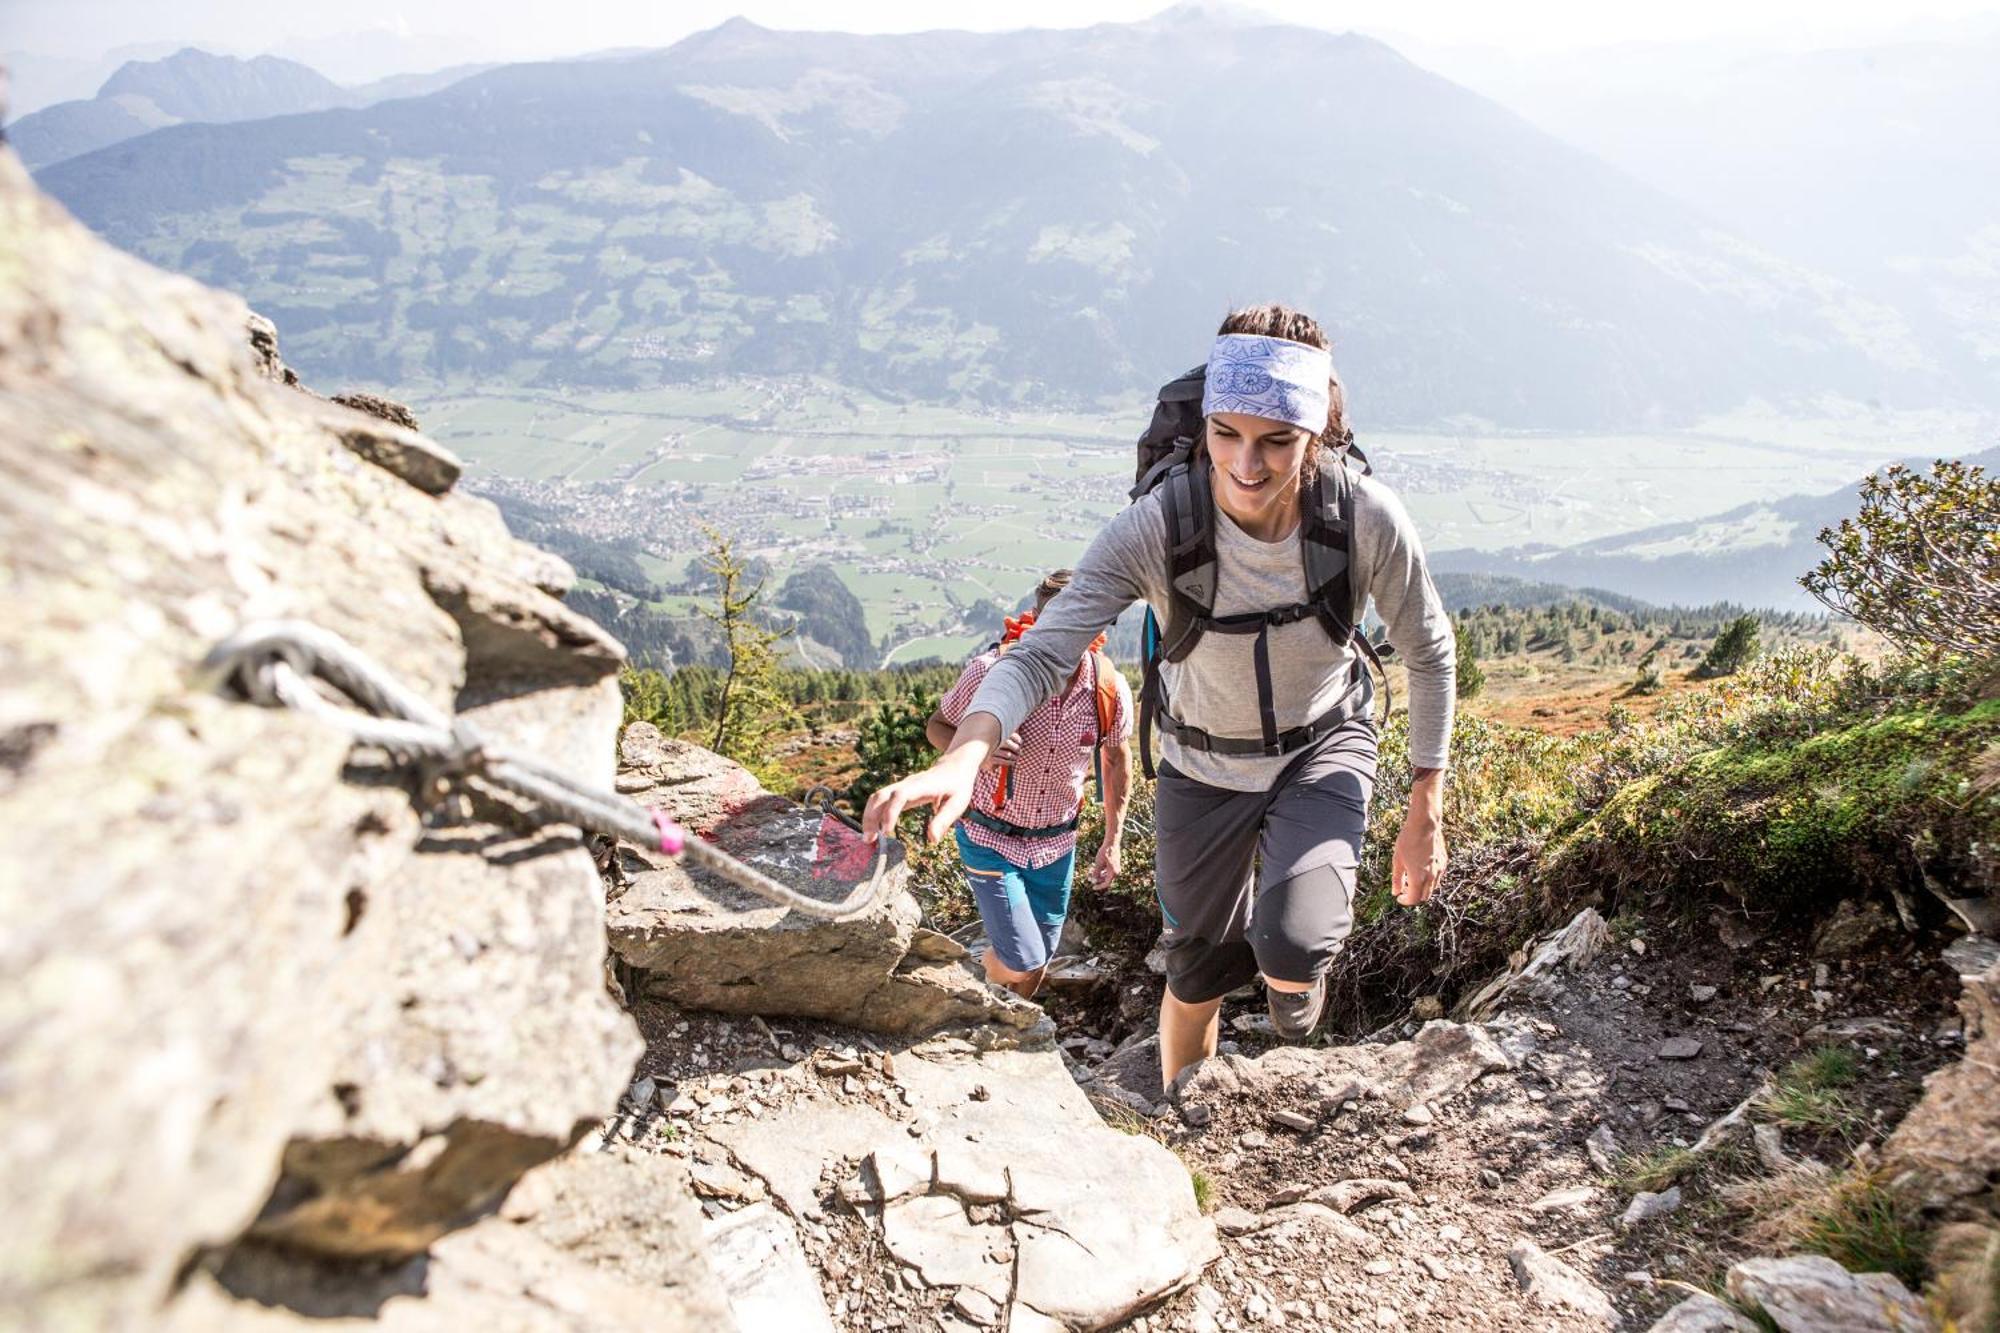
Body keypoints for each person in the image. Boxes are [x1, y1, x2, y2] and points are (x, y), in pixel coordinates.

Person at [864, 304, 1455, 1090]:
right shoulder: (1159, 527)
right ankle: (1188, 1108)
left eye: (1276, 441)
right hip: (1201, 766)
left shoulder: (1362, 520)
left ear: (1314, 434)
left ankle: (1290, 996)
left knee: (1293, 946)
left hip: (1321, 746)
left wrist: (1426, 808)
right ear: (1204, 423)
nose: (1247, 464)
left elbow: (1430, 651)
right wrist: (965, 756)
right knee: (1195, 970)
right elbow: (1040, 653)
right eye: (1226, 435)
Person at [925, 570, 1134, 998]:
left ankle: (1007, 1031)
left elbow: (1116, 760)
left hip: (1057, 846)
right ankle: (958, 981)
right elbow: (938, 726)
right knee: (1025, 958)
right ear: (1036, 618)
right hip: (989, 835)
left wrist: (1112, 840)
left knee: (1038, 958)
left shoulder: (1108, 688)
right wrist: (976, 752)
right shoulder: (991, 672)